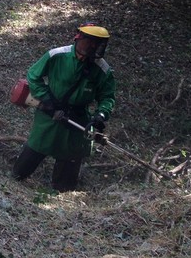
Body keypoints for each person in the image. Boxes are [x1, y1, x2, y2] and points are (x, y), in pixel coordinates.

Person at [12, 23, 116, 192]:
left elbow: (107, 96)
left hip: (78, 116)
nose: (93, 47)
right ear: (79, 39)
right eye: (90, 42)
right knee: (38, 144)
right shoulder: (57, 55)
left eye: (98, 43)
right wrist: (47, 99)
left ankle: (62, 190)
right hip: (50, 111)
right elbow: (33, 75)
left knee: (73, 154)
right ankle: (17, 176)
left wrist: (101, 115)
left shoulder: (102, 69)